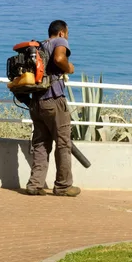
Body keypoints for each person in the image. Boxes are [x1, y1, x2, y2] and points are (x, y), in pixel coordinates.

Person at [25, 20, 81, 197]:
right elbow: (59, 58)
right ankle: (63, 186)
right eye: (68, 33)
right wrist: (69, 68)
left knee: (41, 143)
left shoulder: (40, 46)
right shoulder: (60, 41)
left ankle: (35, 184)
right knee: (63, 143)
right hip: (54, 99)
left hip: (36, 101)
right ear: (62, 32)